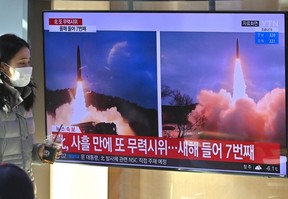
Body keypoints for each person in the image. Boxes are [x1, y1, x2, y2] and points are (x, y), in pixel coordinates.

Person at [0, 34, 45, 195]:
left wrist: (39, 152)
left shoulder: (24, 99)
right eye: (22, 63)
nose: (27, 67)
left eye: (28, 62)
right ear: (3, 67)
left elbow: (22, 153)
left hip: (24, 189)